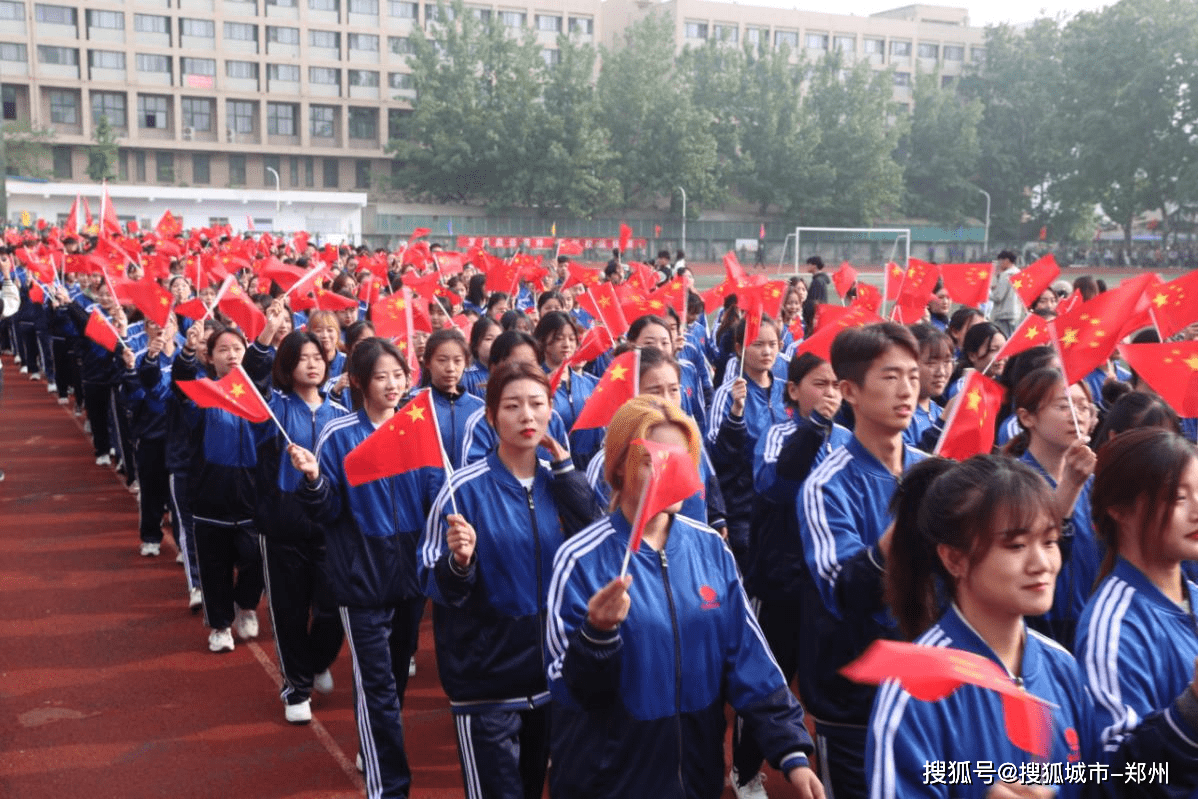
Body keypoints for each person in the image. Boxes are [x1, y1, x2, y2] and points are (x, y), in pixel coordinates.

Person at [869, 453, 1198, 798]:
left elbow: (1103, 784)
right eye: (1016, 546)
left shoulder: (1062, 667)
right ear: (954, 559)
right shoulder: (913, 687)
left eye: (1049, 542)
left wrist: (1190, 710)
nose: (1041, 563)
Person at [546, 396, 824, 799]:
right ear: (620, 465)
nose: (671, 472)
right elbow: (568, 688)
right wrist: (597, 636)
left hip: (697, 775)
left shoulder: (710, 549)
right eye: (653, 460)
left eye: (682, 459)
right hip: (608, 780)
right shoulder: (580, 560)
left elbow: (748, 657)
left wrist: (792, 751)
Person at [419, 361, 599, 799]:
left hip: (552, 677)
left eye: (538, 404)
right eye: (513, 406)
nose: (527, 417)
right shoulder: (463, 489)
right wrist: (460, 562)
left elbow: (597, 541)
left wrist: (567, 472)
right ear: (491, 416)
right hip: (487, 683)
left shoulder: (561, 483)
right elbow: (430, 579)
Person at [291, 338, 438, 799]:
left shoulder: (418, 426)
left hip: (410, 577)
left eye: (399, 374)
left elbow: (435, 493)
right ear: (358, 382)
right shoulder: (339, 435)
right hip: (362, 581)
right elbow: (326, 509)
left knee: (394, 679)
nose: (393, 384)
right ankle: (389, 786)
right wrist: (315, 480)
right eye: (381, 376)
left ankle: (373, 746)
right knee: (376, 684)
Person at [796, 322, 926, 799]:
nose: (907, 389)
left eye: (913, 376)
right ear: (849, 390)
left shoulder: (929, 468)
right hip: (855, 700)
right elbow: (846, 588)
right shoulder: (827, 484)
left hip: (928, 688)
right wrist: (907, 522)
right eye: (890, 377)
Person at [243, 325, 347, 724]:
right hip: (283, 523)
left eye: (318, 358)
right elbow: (252, 382)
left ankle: (319, 658)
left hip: (329, 524)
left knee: (332, 605)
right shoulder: (275, 407)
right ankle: (296, 687)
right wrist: (267, 335)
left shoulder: (340, 413)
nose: (312, 364)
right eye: (302, 358)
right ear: (287, 365)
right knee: (288, 610)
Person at [1079, 428, 1198, 776]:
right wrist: (1191, 707)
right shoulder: (1114, 625)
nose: (1196, 510)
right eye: (1178, 498)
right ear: (1119, 509)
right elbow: (1114, 773)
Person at [171, 324, 265, 653]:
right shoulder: (202, 392)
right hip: (210, 498)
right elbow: (180, 382)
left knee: (257, 559)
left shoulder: (258, 394)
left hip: (252, 499)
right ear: (210, 358)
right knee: (214, 568)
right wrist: (185, 353)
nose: (232, 355)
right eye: (223, 350)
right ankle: (221, 625)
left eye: (237, 348)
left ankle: (247, 604)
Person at [1005, 367, 1096, 649]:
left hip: (1087, 621)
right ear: (1026, 417)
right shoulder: (1011, 482)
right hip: (1039, 625)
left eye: (1083, 407)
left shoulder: (1091, 482)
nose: (1076, 415)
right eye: (1063, 406)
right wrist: (1068, 487)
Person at [419, 328, 485, 470]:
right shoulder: (415, 406)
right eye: (442, 360)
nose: (450, 368)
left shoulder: (480, 409)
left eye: (457, 361)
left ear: (466, 363)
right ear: (428, 362)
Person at [905, 323, 952, 447]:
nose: (941, 372)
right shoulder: (897, 417)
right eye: (931, 363)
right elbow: (908, 464)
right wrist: (942, 424)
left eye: (947, 361)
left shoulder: (940, 411)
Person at [988, 250, 1022, 337]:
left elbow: (998, 297)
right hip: (1015, 313)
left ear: (1006, 260)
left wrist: (987, 292)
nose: (999, 264)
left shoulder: (1006, 275)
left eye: (1000, 261)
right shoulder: (1019, 273)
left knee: (1003, 338)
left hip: (1003, 314)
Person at [801, 256, 830, 334]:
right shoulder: (820, 280)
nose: (807, 266)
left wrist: (804, 309)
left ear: (814, 266)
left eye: (808, 264)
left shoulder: (817, 281)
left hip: (814, 318)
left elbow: (813, 302)